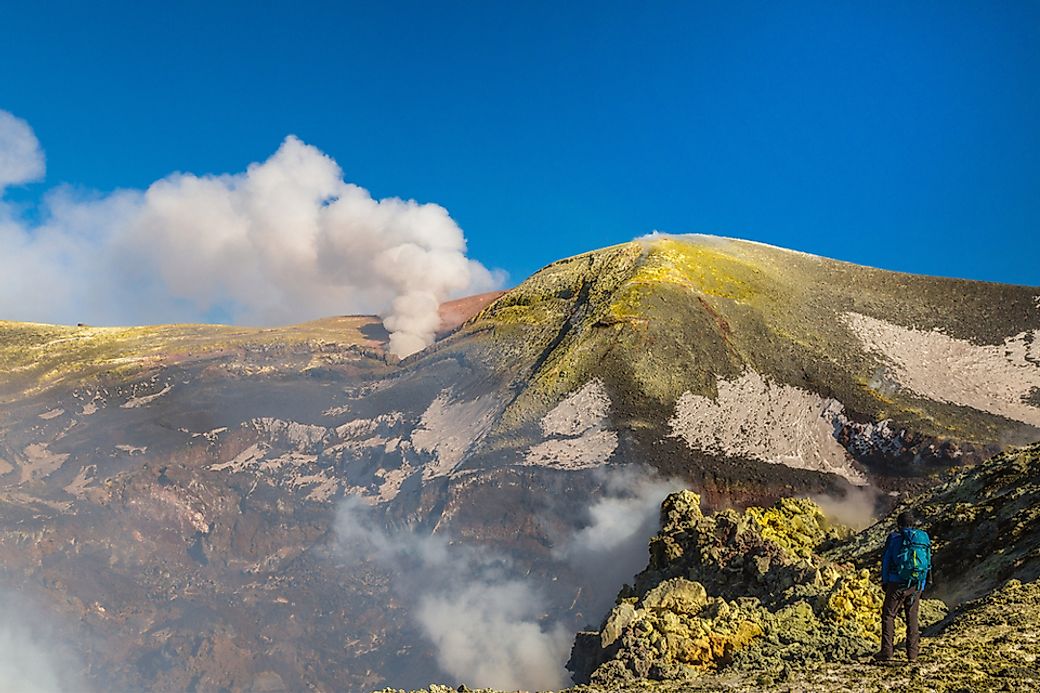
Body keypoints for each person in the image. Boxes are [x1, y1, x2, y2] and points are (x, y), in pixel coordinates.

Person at [877, 510, 932, 663]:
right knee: (912, 618)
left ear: (899, 524)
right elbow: (928, 561)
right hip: (916, 584)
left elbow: (887, 560)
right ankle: (912, 655)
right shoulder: (923, 538)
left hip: (896, 583)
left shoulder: (894, 538)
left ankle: (887, 653)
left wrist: (885, 581)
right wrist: (922, 583)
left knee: (888, 616)